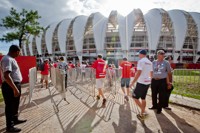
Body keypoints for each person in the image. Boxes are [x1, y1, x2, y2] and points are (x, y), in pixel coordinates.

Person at [0, 45, 27, 132]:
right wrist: (15, 89)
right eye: (19, 52)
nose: (19, 54)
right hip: (10, 86)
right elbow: (6, 75)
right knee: (10, 106)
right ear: (16, 51)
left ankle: (15, 119)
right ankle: (10, 126)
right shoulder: (7, 59)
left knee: (15, 105)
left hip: (14, 85)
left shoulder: (11, 59)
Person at [130, 50, 153, 120]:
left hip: (141, 82)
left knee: (134, 97)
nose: (138, 56)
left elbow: (139, 72)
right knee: (143, 98)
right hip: (147, 82)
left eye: (139, 54)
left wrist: (133, 82)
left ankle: (144, 111)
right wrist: (150, 80)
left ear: (141, 54)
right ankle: (142, 114)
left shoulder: (141, 61)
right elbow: (151, 73)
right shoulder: (149, 62)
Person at [149, 50, 172, 114]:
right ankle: (154, 106)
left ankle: (159, 108)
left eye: (162, 54)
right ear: (157, 55)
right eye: (160, 54)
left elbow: (169, 73)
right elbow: (151, 71)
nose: (161, 55)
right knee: (153, 94)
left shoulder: (166, 63)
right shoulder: (153, 62)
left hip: (162, 81)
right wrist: (150, 79)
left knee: (161, 95)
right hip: (154, 80)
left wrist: (169, 82)